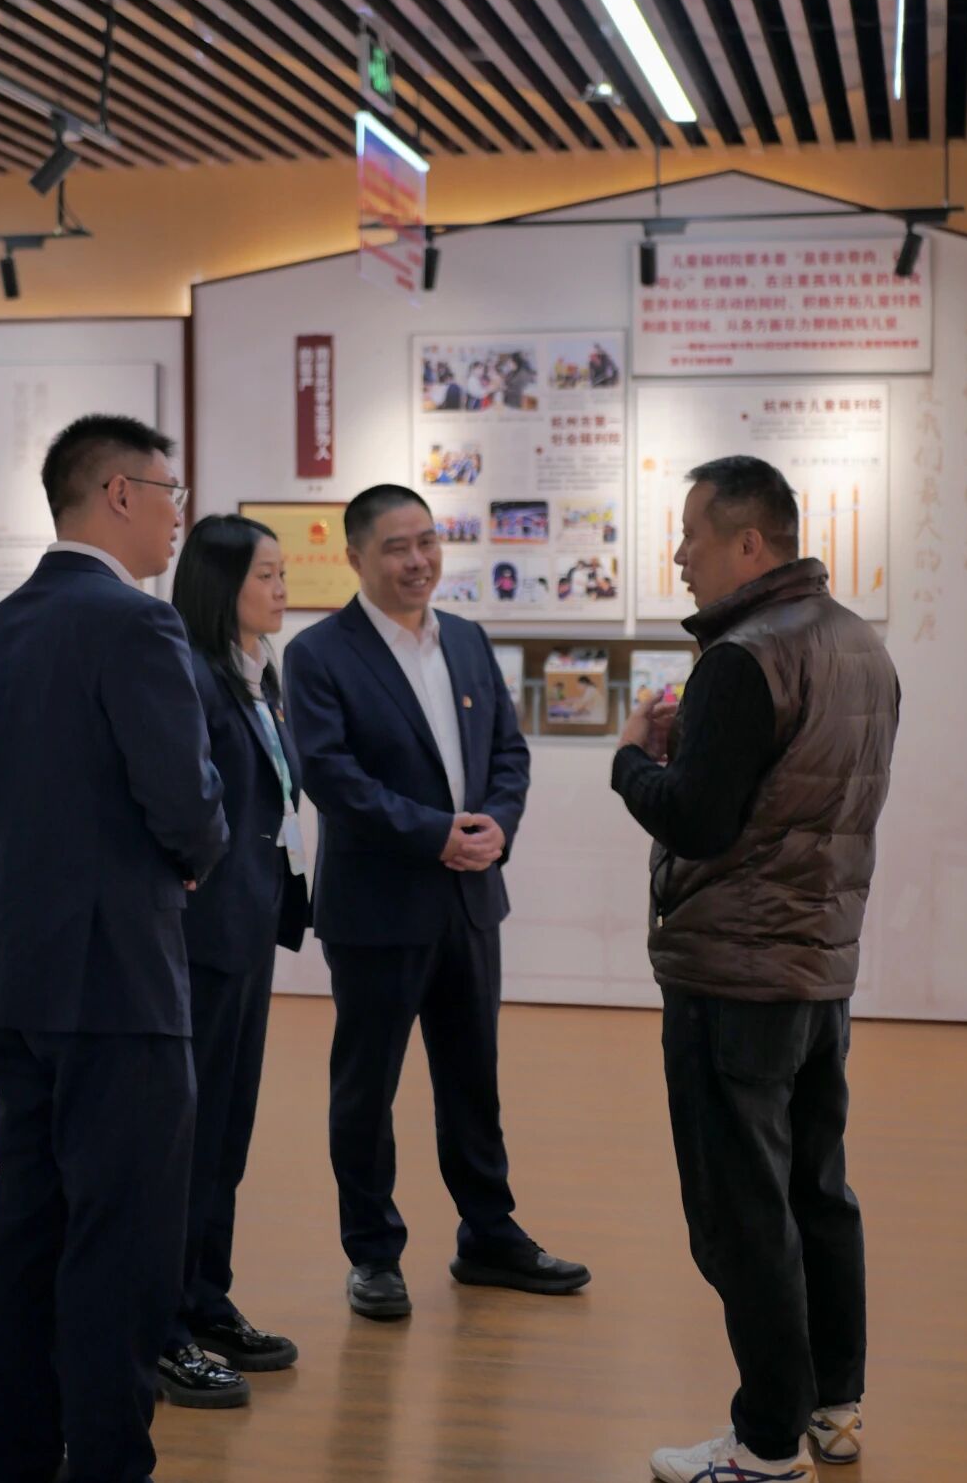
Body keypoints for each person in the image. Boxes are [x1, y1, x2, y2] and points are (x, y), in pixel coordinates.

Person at [610, 456, 899, 1483]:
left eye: (690, 535)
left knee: (743, 1214)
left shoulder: (742, 658)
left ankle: (765, 1445)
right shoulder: (858, 642)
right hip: (818, 966)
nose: (677, 556)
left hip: (733, 973)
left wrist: (631, 760)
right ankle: (833, 1403)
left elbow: (698, 819)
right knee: (816, 1187)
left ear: (746, 542)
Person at [0, 413, 229, 1483]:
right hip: (118, 977)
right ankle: (109, 1462)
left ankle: (13, 1454)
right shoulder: (135, 623)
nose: (177, 516)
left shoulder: (4, 623)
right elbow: (185, 802)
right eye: (169, 492)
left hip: (19, 967)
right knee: (123, 1240)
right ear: (118, 493)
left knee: (28, 1222)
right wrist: (199, 853)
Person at [284, 484, 590, 1321]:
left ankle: (488, 1235)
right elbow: (331, 777)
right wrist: (435, 834)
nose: (417, 561)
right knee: (367, 1090)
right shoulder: (318, 654)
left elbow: (509, 753)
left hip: (469, 900)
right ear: (355, 557)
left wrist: (497, 827)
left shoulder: (466, 638)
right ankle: (373, 1253)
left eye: (427, 541)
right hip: (378, 910)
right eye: (396, 547)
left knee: (472, 1082)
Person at [159, 514, 310, 1410]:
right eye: (267, 575)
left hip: (250, 928)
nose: (283, 590)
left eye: (284, 573)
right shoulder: (192, 675)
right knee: (190, 1135)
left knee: (228, 1131)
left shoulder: (261, 671)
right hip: (204, 935)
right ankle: (166, 1325)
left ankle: (207, 1298)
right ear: (222, 585)